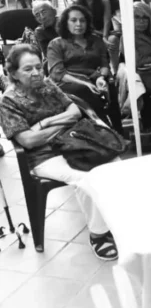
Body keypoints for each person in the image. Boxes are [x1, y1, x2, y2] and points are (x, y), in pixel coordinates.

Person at [0, 45, 118, 260]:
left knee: (114, 162)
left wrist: (45, 123)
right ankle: (98, 235)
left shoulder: (46, 85)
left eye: (38, 67)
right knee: (86, 178)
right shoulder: (8, 101)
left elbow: (74, 111)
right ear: (14, 73)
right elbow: (28, 140)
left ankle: (115, 219)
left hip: (73, 142)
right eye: (28, 69)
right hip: (44, 156)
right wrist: (62, 123)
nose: (36, 73)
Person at [47, 4, 122, 134]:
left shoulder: (96, 41)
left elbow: (105, 64)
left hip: (94, 78)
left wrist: (100, 78)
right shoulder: (57, 43)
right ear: (65, 23)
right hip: (67, 82)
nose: (79, 24)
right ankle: (104, 128)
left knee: (110, 86)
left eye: (82, 20)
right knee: (83, 89)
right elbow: (58, 73)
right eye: (73, 20)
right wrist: (85, 83)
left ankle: (118, 130)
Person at [73, 0, 118, 72]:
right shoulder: (75, 3)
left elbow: (107, 19)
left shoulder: (104, 1)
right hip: (86, 33)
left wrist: (104, 36)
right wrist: (98, 34)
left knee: (113, 39)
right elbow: (81, 23)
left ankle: (115, 69)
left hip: (105, 32)